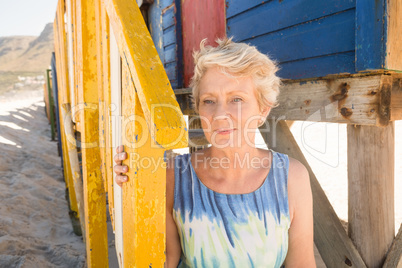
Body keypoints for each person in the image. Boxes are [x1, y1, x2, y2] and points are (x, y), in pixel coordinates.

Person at [113, 38, 316, 267]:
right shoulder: (174, 176)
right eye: (209, 101)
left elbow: (302, 263)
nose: (220, 114)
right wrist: (128, 189)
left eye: (236, 99)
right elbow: (164, 260)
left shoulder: (291, 178)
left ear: (263, 109)